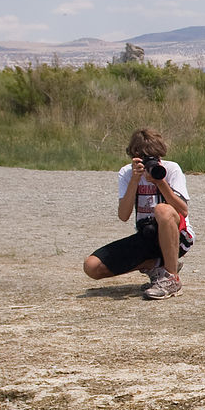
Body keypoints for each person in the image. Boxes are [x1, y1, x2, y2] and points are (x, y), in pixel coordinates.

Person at [82, 128, 194, 300]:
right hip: (146, 236)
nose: (151, 162)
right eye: (145, 158)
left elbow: (183, 210)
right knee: (92, 266)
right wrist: (134, 180)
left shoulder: (171, 169)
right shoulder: (127, 173)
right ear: (135, 156)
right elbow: (123, 215)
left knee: (162, 210)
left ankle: (171, 278)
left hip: (178, 238)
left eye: (155, 157)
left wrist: (160, 183)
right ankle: (156, 266)